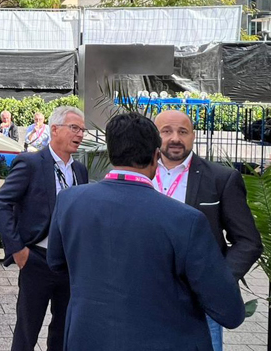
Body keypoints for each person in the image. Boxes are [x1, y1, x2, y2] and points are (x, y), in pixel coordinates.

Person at [46, 113, 246, 350]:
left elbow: (56, 262)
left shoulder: (69, 201)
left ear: (110, 153)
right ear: (155, 156)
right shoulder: (187, 220)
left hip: (88, 338)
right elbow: (230, 311)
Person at [153, 109, 264, 351]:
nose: (175, 138)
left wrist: (218, 280)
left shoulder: (221, 178)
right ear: (154, 136)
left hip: (200, 301)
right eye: (166, 131)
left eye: (183, 132)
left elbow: (248, 241)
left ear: (193, 136)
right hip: (148, 296)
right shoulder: (139, 175)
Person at [0, 106, 88, 351]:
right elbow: (2, 203)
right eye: (74, 128)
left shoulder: (80, 171)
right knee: (27, 329)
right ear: (54, 129)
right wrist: (17, 249)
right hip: (37, 259)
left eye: (82, 130)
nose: (80, 134)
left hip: (69, 263)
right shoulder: (31, 162)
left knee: (63, 330)